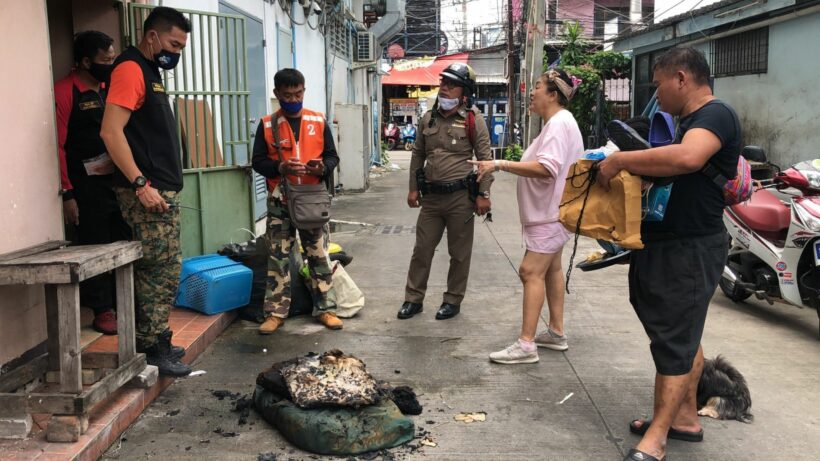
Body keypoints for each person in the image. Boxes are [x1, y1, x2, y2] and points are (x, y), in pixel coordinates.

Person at [596, 47, 740, 461]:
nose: (657, 95)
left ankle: (657, 439)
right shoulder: (686, 122)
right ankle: (685, 419)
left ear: (681, 78)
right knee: (679, 335)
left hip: (690, 248)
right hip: (668, 244)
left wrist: (622, 158)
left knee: (675, 341)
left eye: (658, 84)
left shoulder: (716, 115)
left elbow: (688, 158)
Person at [100, 6, 191, 377]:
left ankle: (158, 338)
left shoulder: (150, 71)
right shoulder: (131, 68)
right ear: (151, 35)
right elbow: (111, 132)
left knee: (165, 269)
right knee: (157, 270)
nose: (177, 52)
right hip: (147, 193)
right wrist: (140, 185)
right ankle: (152, 347)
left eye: (182, 47)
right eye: (173, 43)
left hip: (161, 190)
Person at [469, 69, 583, 364]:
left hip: (550, 213)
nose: (531, 93)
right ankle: (556, 332)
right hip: (554, 211)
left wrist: (499, 163)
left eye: (536, 87)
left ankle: (526, 345)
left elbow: (548, 168)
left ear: (553, 95)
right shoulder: (557, 123)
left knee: (530, 271)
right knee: (551, 269)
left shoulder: (558, 124)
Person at [397, 63, 493, 321]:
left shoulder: (473, 119)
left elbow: (485, 158)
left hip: (461, 198)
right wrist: (413, 188)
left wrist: (484, 194)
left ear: (465, 92)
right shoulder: (429, 118)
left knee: (459, 254)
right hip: (431, 199)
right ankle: (413, 299)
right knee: (422, 250)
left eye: (451, 85)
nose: (445, 88)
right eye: (443, 83)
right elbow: (418, 153)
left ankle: (452, 300)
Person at [251, 68, 342, 335]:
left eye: (298, 93)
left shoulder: (318, 120)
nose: (293, 99)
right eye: (287, 95)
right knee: (277, 258)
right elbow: (258, 162)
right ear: (277, 94)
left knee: (319, 256)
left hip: (312, 200)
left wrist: (321, 168)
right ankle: (275, 313)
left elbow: (332, 156)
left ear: (304, 90)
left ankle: (326, 309)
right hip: (281, 201)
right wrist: (280, 167)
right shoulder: (267, 124)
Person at [55, 31, 131, 335]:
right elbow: (57, 146)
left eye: (113, 58)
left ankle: (123, 302)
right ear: (85, 61)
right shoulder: (64, 91)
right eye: (105, 60)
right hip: (84, 187)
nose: (110, 65)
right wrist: (67, 194)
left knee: (123, 240)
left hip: (116, 182)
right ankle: (102, 309)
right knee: (94, 245)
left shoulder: (108, 89)